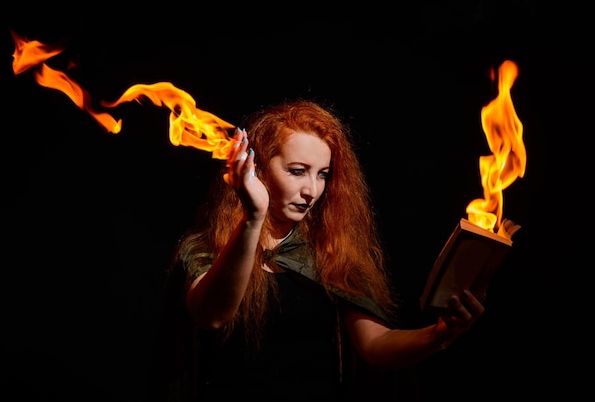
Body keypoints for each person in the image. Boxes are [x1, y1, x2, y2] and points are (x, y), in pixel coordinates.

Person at [165, 99, 485, 402]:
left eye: (323, 174)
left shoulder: (329, 252)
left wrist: (441, 333)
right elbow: (213, 315)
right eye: (297, 171)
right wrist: (254, 218)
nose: (312, 190)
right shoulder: (206, 249)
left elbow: (375, 346)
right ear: (258, 169)